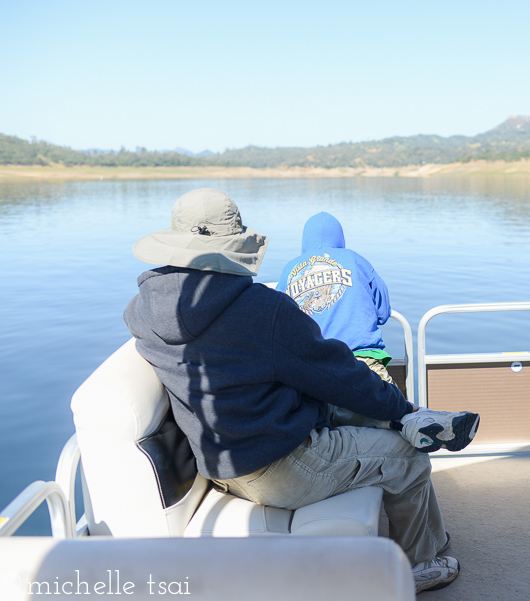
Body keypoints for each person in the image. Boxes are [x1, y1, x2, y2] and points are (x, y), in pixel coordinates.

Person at [123, 188, 474, 592]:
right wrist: (399, 407)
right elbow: (340, 373)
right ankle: (419, 564)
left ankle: (408, 422)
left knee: (356, 413)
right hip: (282, 467)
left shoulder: (141, 314)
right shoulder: (261, 310)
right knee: (409, 458)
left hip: (218, 466)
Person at [276, 212, 400, 429]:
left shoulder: (289, 270)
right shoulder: (356, 260)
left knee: (326, 452)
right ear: (340, 238)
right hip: (363, 369)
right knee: (400, 432)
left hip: (311, 375)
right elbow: (383, 312)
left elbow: (279, 321)